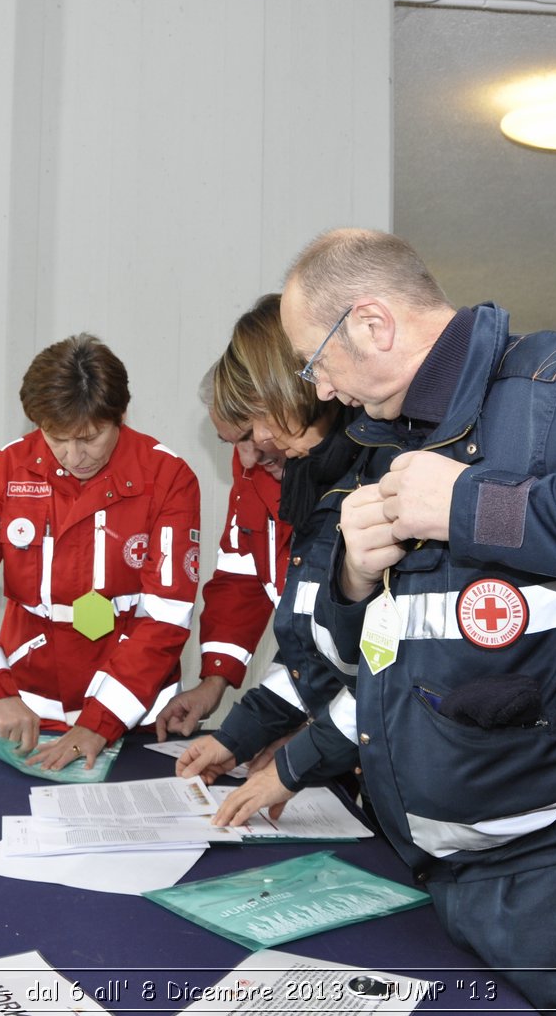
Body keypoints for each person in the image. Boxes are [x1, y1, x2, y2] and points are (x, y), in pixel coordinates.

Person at [214, 228, 556, 1013]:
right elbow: (377, 658)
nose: (323, 389)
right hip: (443, 867)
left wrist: (473, 505)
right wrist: (351, 577)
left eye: (317, 361)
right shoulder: (382, 441)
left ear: (371, 324)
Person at [0, 334, 201, 771]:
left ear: (121, 416)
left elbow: (166, 615)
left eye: (90, 438)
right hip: (32, 709)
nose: (75, 457)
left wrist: (101, 720)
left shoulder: (167, 477)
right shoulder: (2, 473)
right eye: (57, 438)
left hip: (135, 710)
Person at [156, 295, 351, 781]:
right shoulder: (258, 467)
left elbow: (349, 637)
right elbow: (240, 578)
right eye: (233, 443)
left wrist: (308, 739)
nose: (246, 457)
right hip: (314, 693)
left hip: (351, 712)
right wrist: (214, 680)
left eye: (250, 434)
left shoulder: (342, 473)